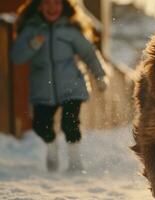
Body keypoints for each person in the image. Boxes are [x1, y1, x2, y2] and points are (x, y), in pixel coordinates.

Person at [11, 0, 108, 172]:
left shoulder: (70, 30)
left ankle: (75, 162)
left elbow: (89, 54)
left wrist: (100, 75)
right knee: (41, 125)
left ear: (64, 6)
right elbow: (17, 57)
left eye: (57, 3)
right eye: (47, 3)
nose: (52, 8)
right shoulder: (31, 30)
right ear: (39, 6)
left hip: (71, 86)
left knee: (70, 124)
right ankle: (52, 146)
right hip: (42, 88)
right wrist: (33, 45)